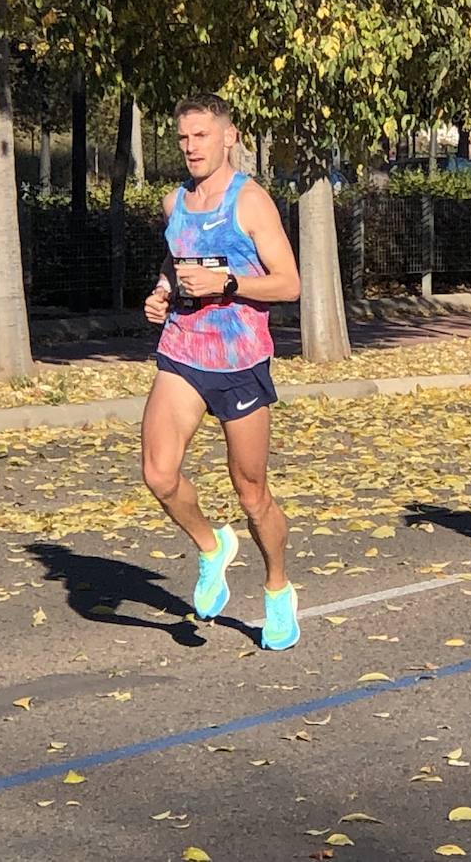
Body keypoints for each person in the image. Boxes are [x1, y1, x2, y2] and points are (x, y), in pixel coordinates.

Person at [142, 94, 302, 649]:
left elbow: (289, 284)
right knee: (159, 474)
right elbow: (176, 260)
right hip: (183, 351)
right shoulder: (175, 202)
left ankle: (278, 589)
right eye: (184, 139)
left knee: (251, 492)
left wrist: (230, 285)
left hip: (239, 363)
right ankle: (213, 548)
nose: (191, 148)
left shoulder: (251, 203)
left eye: (201, 137)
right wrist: (163, 292)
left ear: (228, 137)